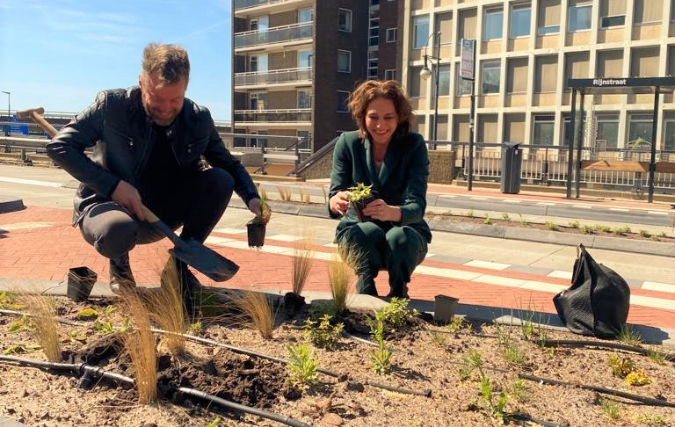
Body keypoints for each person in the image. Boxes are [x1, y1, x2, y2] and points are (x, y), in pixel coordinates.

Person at [47, 43, 264, 307]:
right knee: (118, 229)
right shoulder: (112, 106)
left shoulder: (198, 118)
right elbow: (59, 146)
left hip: (161, 210)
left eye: (175, 99)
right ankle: (120, 267)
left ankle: (178, 270)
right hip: (106, 206)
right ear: (141, 82)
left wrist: (252, 197)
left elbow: (228, 164)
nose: (165, 107)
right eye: (156, 98)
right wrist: (113, 186)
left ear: (186, 86)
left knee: (221, 180)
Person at [328, 80, 432, 298]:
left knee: (398, 237)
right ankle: (365, 286)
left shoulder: (414, 145)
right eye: (373, 117)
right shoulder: (347, 143)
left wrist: (392, 212)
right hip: (359, 232)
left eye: (388, 117)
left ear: (399, 117)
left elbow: (417, 205)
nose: (380, 125)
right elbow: (334, 193)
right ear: (362, 116)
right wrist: (335, 201)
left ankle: (399, 288)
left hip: (406, 234)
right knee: (366, 231)